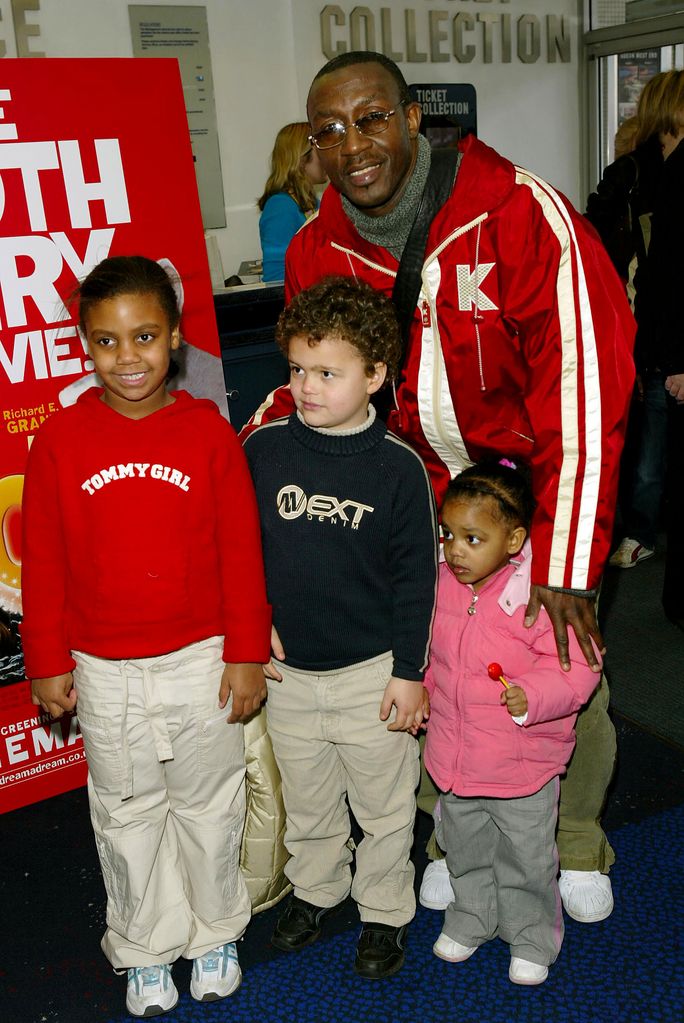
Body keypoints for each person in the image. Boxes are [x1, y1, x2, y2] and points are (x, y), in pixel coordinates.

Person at [243, 51, 635, 925]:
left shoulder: (520, 215)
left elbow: (583, 387)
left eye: (372, 118)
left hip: (535, 494)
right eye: (330, 132)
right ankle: (449, 833)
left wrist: (567, 561)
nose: (354, 146)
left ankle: (574, 836)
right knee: (432, 664)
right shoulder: (318, 246)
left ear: (415, 117)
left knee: (562, 661)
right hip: (416, 494)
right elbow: (321, 382)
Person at [20, 255, 271, 1018]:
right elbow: (47, 563)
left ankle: (214, 931)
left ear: (176, 338)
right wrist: (46, 660)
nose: (128, 358)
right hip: (105, 671)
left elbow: (241, 551)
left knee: (209, 804)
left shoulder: (208, 434)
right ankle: (146, 946)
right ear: (84, 345)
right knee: (126, 813)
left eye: (145, 336)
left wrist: (247, 651)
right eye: (107, 341)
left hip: (202, 663)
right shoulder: (60, 442)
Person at [243, 275, 438, 979]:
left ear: (376, 374)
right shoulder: (263, 452)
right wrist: (249, 619)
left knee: (385, 807)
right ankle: (318, 888)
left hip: (371, 675)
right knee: (311, 799)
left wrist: (410, 674)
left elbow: (419, 581)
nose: (308, 385)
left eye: (329, 372)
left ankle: (385, 909)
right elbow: (238, 551)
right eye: (298, 368)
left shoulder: (399, 468)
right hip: (289, 674)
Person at [424, 460, 599, 985]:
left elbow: (581, 666)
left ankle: (530, 937)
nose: (456, 549)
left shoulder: (539, 594)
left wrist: (535, 697)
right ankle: (472, 918)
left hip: (522, 765)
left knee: (527, 860)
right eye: (449, 534)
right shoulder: (442, 582)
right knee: (466, 850)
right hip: (455, 758)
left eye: (473, 538)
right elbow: (433, 657)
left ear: (515, 539)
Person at [587, 73, 680, 571]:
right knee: (646, 444)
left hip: (655, 325)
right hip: (638, 326)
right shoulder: (632, 175)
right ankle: (639, 531)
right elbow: (602, 252)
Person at [634, 70, 684, 630]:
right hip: (661, 347)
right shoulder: (651, 173)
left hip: (664, 348)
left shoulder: (666, 175)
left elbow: (671, 280)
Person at [257, 122, 328, 282]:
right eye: (321, 150)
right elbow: (276, 278)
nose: (327, 157)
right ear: (302, 158)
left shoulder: (312, 202)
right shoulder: (280, 207)